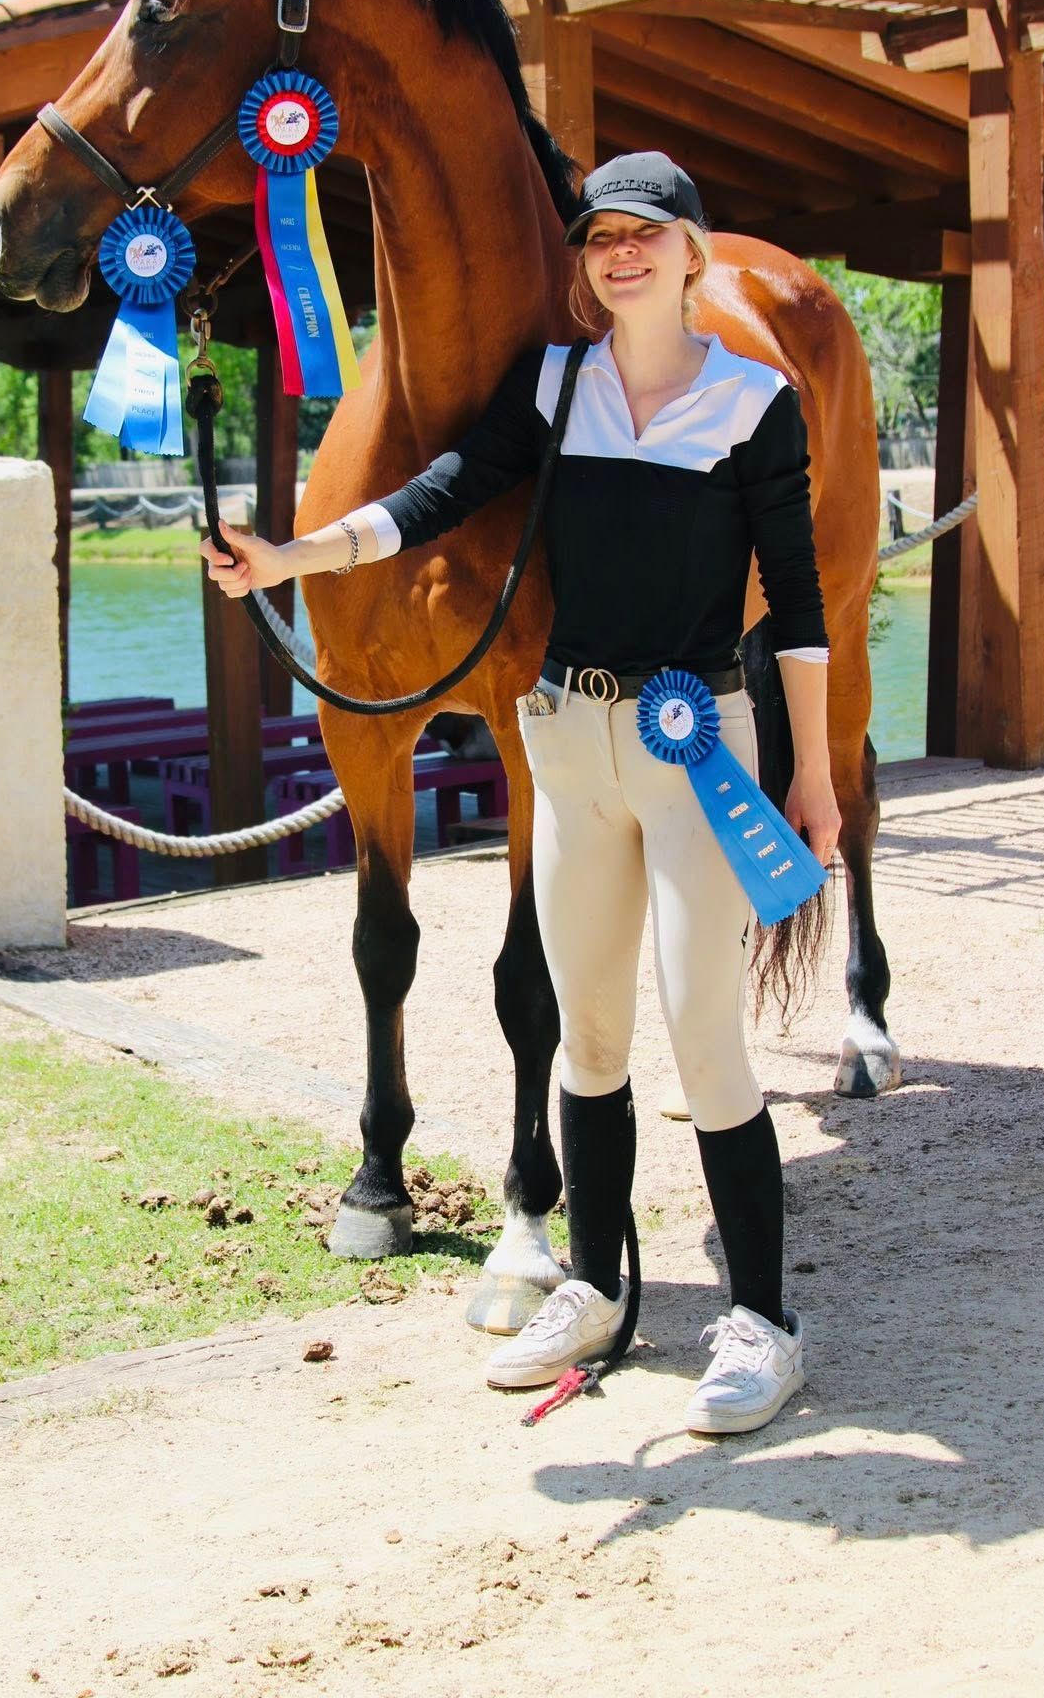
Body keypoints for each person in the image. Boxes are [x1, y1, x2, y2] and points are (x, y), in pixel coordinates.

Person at [201, 152, 839, 1437]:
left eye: (644, 236)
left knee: (703, 1033)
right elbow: (430, 500)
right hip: (565, 741)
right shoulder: (553, 387)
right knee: (590, 1036)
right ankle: (597, 1284)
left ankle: (763, 1322)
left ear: (689, 254)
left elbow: (803, 608)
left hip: (692, 742)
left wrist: (811, 771)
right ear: (582, 262)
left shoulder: (756, 401)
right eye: (599, 237)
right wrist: (289, 554)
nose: (619, 254)